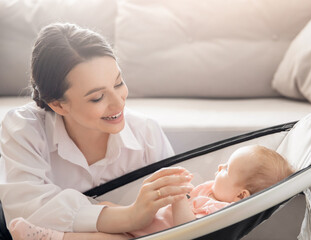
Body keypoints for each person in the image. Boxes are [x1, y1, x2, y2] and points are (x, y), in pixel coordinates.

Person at [0, 22, 194, 239]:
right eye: (97, 97)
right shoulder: (24, 128)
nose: (118, 104)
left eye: (118, 83)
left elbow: (179, 215)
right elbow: (26, 211)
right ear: (58, 105)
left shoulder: (147, 133)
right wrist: (130, 216)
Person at [8, 145, 295, 239]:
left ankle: (51, 237)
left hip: (157, 234)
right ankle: (56, 222)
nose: (219, 166)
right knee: (105, 206)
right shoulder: (212, 190)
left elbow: (188, 230)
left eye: (226, 169)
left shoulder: (224, 212)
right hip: (148, 219)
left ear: (241, 196)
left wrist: (181, 198)